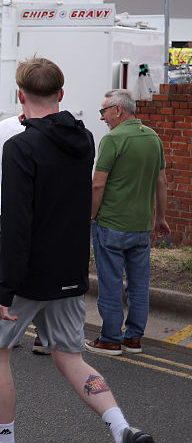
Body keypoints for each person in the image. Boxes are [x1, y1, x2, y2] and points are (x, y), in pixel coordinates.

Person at [0, 60, 157, 443]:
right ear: (62, 94)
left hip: (28, 274)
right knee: (69, 357)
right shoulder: (84, 138)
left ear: (20, 96)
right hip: (69, 270)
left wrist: (6, 287)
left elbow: (19, 223)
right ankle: (123, 430)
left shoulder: (22, 146)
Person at [86, 89, 169, 356]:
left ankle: (110, 339)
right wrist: (161, 218)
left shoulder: (113, 140)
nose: (102, 118)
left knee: (111, 283)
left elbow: (98, 184)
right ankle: (134, 338)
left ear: (118, 110)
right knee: (138, 284)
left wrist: (90, 216)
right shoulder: (153, 138)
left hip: (111, 223)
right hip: (141, 226)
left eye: (104, 112)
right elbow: (161, 181)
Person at [0, 108, 45, 353]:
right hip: (48, 217)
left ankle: (10, 331)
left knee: (11, 268)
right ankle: (43, 336)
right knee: (43, 270)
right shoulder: (63, 132)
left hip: (12, 213)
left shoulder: (1, 128)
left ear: (21, 97)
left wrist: (8, 185)